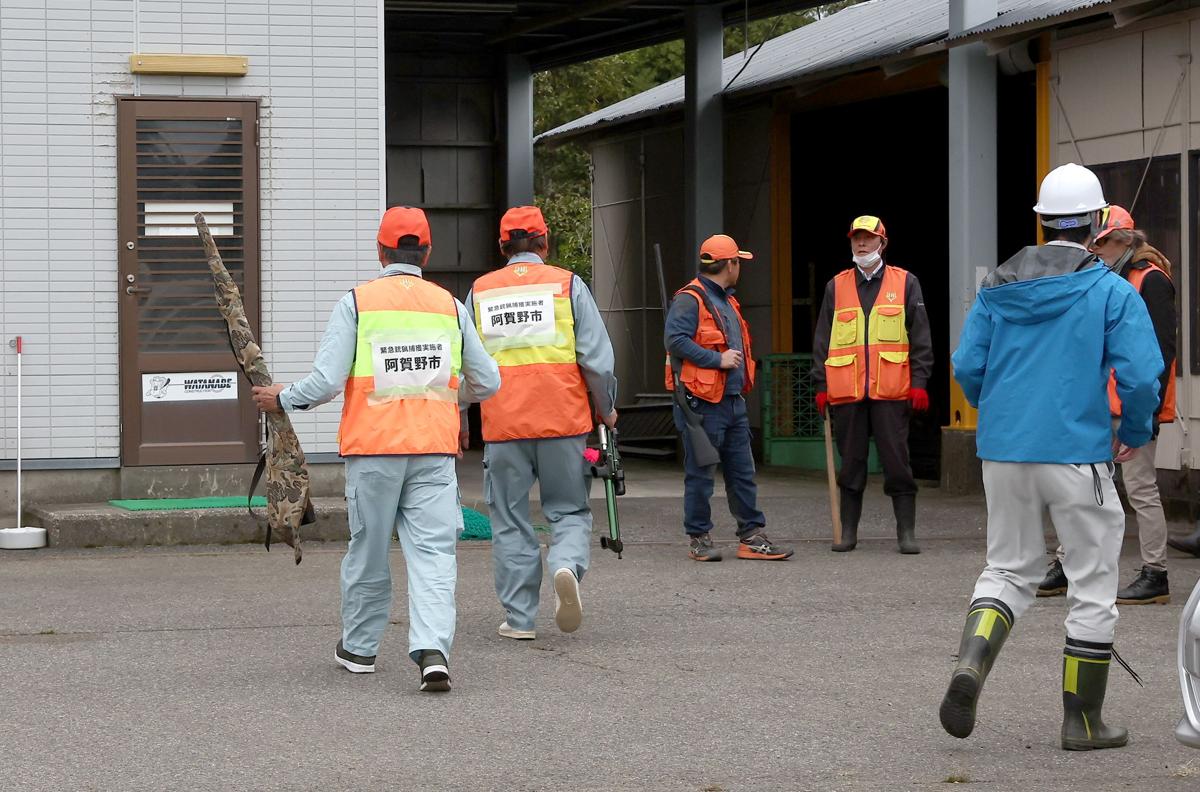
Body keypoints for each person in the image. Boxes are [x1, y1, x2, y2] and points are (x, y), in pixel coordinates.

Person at [938, 164, 1162, 751]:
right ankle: (1083, 722)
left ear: (1041, 223)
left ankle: (970, 667)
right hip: (1076, 452)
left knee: (1009, 569)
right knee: (1092, 581)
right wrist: (1133, 430)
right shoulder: (1111, 289)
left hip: (1004, 450)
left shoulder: (997, 286)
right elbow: (1140, 376)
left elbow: (966, 365)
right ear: (1094, 223)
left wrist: (1001, 411)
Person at [251, 206, 499, 692]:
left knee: (368, 549)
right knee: (433, 553)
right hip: (432, 450)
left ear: (380, 250)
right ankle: (433, 652)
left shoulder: (358, 303)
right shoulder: (450, 305)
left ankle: (360, 649)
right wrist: (448, 394)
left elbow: (325, 382)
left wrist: (281, 398)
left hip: (375, 452)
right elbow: (487, 381)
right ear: (427, 252)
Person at [467, 205, 617, 641]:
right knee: (569, 509)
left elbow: (466, 361)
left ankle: (519, 619)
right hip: (564, 422)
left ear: (501, 247)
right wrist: (606, 407)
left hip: (504, 426)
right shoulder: (567, 285)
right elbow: (597, 360)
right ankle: (566, 565)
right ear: (544, 243)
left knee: (510, 519)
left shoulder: (480, 291)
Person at [1036, 205, 1177, 605]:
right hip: (1101, 403)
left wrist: (1145, 415)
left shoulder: (1151, 281)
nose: (1096, 250)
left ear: (1124, 240)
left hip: (1133, 405)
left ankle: (1156, 573)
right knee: (1079, 485)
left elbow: (1161, 354)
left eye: (1103, 243)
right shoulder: (1105, 279)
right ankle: (1066, 564)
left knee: (1140, 489)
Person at [663, 233, 792, 562]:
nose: (740, 269)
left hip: (731, 401)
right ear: (730, 264)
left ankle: (752, 536)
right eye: (739, 262)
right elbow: (675, 339)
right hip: (703, 403)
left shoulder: (726, 300)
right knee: (701, 473)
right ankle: (699, 538)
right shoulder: (689, 299)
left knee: (742, 472)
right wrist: (716, 360)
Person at [811, 216, 934, 554]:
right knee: (851, 463)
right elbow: (823, 339)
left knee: (897, 461)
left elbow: (921, 337)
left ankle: (906, 533)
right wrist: (821, 383)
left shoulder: (906, 282)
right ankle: (848, 532)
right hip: (847, 390)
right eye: (856, 239)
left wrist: (920, 382)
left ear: (883, 242)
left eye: (868, 239)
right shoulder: (836, 286)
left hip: (891, 391)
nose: (861, 244)